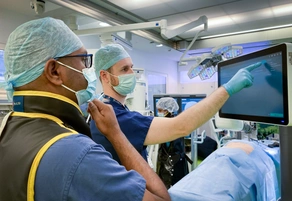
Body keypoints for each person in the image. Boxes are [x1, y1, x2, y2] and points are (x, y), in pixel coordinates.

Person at [0, 17, 170, 201]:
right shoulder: (77, 155)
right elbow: (161, 199)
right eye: (83, 60)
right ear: (55, 71)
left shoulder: (6, 127)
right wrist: (116, 134)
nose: (87, 71)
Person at [90, 44, 261, 165]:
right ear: (105, 76)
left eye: (131, 68)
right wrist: (227, 89)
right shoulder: (116, 117)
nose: (132, 74)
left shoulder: (104, 107)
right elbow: (181, 126)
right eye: (124, 69)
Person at [156, 97, 190, 188]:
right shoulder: (174, 121)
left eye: (159, 110)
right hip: (177, 161)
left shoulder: (169, 125)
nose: (158, 113)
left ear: (167, 110)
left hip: (173, 164)